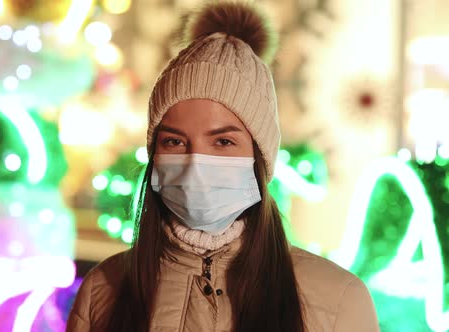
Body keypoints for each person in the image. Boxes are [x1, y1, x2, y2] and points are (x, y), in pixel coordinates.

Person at [66, 1, 380, 331]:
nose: (195, 165)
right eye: (174, 141)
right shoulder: (103, 289)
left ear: (259, 157)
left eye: (223, 142)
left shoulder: (338, 300)